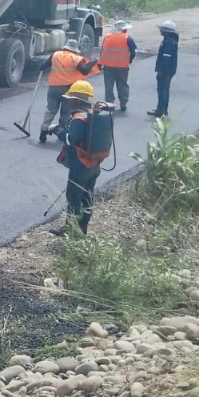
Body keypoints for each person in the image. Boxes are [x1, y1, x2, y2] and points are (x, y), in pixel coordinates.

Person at [56, 79, 114, 236]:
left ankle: (70, 230)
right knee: (88, 196)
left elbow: (70, 140)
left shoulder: (78, 119)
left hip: (80, 165)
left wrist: (58, 131)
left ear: (75, 100)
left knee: (74, 197)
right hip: (94, 165)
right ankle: (83, 228)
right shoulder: (93, 116)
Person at [38, 38, 101, 143]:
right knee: (65, 112)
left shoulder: (56, 54)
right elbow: (84, 71)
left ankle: (44, 129)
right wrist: (92, 63)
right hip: (68, 89)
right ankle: (61, 132)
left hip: (53, 88)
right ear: (75, 49)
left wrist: (41, 68)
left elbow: (43, 66)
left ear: (65, 47)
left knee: (51, 110)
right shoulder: (75, 58)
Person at [98, 19, 137, 111]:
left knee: (108, 85)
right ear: (124, 29)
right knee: (122, 85)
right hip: (122, 66)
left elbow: (102, 51)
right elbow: (133, 52)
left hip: (108, 66)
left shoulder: (107, 37)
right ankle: (123, 103)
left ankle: (109, 103)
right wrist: (129, 60)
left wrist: (100, 63)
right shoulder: (128, 38)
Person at [148, 19, 180, 118]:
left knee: (162, 89)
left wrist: (161, 70)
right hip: (170, 69)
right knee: (165, 89)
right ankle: (163, 109)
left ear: (166, 31)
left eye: (162, 29)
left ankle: (161, 110)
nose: (160, 31)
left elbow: (166, 58)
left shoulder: (168, 42)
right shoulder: (171, 40)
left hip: (166, 70)